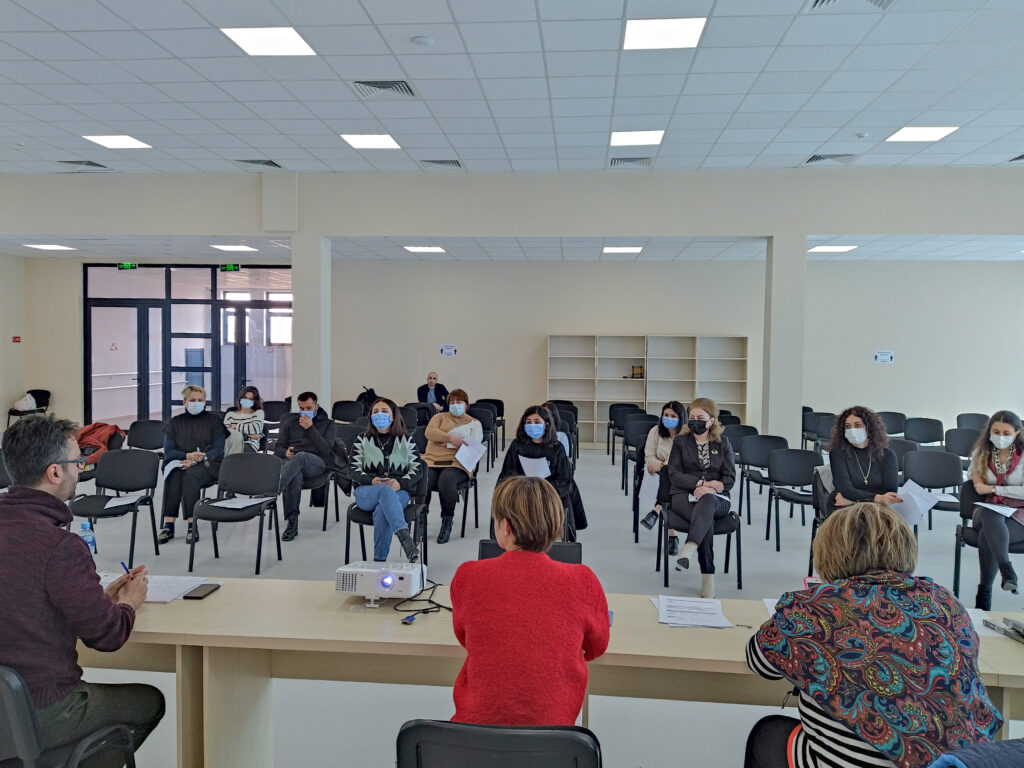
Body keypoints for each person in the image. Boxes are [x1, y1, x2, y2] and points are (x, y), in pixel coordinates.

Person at [745, 503, 1003, 768]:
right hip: (966, 762)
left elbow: (758, 662)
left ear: (826, 554)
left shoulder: (809, 611)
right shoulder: (946, 602)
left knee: (769, 734)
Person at [0, 415, 164, 766]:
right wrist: (128, 604)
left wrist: (95, 599)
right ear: (54, 473)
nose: (81, 469)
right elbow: (107, 636)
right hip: (44, 707)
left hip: (5, 713)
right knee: (148, 703)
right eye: (78, 462)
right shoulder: (60, 546)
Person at [450, 476, 609, 725]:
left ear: (506, 526)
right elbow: (595, 647)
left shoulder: (468, 575)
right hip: (552, 739)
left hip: (472, 738)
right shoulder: (583, 580)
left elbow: (465, 638)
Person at [668, 397, 735, 598]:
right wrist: (701, 484)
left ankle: (690, 546)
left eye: (700, 418)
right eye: (692, 417)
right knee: (705, 521)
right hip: (684, 495)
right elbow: (674, 473)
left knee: (707, 503)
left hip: (717, 498)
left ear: (711, 420)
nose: (695, 421)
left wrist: (711, 490)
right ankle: (708, 577)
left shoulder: (723, 443)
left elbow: (730, 478)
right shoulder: (681, 442)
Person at [963, 410, 1024, 610]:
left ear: (1017, 433)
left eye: (1006, 433)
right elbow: (973, 473)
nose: (1000, 437)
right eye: (996, 432)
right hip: (988, 508)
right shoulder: (982, 452)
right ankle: (1006, 568)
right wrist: (979, 482)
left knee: (986, 535)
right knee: (990, 514)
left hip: (1018, 512)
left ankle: (984, 594)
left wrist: (994, 489)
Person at [350, 397, 420, 562]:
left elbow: (418, 470)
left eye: (384, 411)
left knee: (382, 510)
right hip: (367, 491)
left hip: (399, 491)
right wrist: (370, 480)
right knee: (383, 490)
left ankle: (379, 561)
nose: (379, 415)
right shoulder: (362, 439)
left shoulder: (407, 440)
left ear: (393, 416)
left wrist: (400, 483)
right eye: (375, 412)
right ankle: (404, 536)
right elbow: (351, 470)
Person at [158, 384, 227, 545]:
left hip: (208, 464)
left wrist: (197, 460)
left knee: (190, 475)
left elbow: (218, 449)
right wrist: (187, 456)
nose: (196, 403)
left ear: (204, 402)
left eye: (200, 400)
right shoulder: (174, 423)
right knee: (175, 473)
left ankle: (192, 524)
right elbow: (169, 451)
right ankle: (169, 524)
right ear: (184, 402)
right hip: (181, 462)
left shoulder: (214, 421)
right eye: (192, 400)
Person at [273, 391, 338, 542]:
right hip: (294, 464)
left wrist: (311, 428)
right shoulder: (291, 423)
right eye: (302, 408)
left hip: (317, 464)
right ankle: (292, 521)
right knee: (295, 473)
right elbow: (278, 448)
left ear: (317, 406)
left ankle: (273, 490)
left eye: (309, 408)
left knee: (301, 456)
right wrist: (285, 452)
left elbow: (326, 449)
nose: (305, 411)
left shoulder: (328, 424)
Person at [422, 388, 482, 544]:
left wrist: (446, 443)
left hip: (458, 462)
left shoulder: (474, 423)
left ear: (466, 405)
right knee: (424, 480)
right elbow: (429, 433)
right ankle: (421, 519)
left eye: (459, 402)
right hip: (432, 460)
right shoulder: (439, 417)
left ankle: (447, 521)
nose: (455, 404)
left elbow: (473, 446)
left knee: (446, 481)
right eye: (452, 402)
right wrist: (452, 438)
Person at [499, 405, 573, 527]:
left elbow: (564, 480)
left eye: (537, 422)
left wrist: (540, 490)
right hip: (522, 493)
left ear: (546, 425)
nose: (532, 425)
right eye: (529, 422)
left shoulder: (557, 448)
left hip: (548, 495)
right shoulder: (517, 445)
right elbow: (507, 474)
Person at [825, 405, 900, 512]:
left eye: (858, 425)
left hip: (876, 509)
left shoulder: (888, 455)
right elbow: (845, 490)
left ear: (869, 428)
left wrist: (853, 501)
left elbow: (890, 494)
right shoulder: (837, 453)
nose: (852, 430)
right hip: (844, 508)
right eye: (848, 426)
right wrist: (878, 498)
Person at [640, 401, 686, 556]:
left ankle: (657, 510)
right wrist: (658, 464)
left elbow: (685, 462)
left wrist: (664, 465)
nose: (669, 418)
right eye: (666, 415)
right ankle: (673, 536)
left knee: (670, 478)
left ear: (681, 418)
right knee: (667, 479)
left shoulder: (687, 435)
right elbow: (649, 456)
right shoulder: (655, 431)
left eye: (673, 416)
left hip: (678, 475)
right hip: (656, 474)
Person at [223, 385, 265, 454]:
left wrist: (235, 426)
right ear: (240, 399)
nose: (247, 400)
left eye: (250, 399)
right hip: (230, 443)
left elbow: (255, 428)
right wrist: (247, 435)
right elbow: (225, 434)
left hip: (249, 444)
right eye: (245, 398)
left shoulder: (258, 413)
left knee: (235, 454)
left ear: (255, 401)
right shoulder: (230, 414)